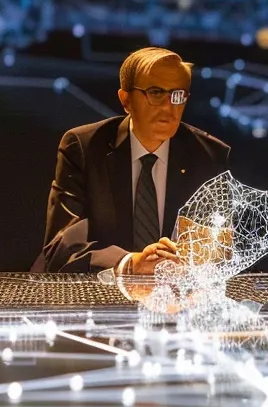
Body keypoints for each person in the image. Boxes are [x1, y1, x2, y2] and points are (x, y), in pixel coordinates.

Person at [34, 47, 230, 274]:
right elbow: (62, 245)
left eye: (177, 95)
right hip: (97, 295)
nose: (168, 107)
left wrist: (189, 258)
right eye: (156, 93)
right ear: (125, 100)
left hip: (175, 299)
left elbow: (219, 250)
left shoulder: (209, 156)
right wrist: (130, 264)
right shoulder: (84, 148)